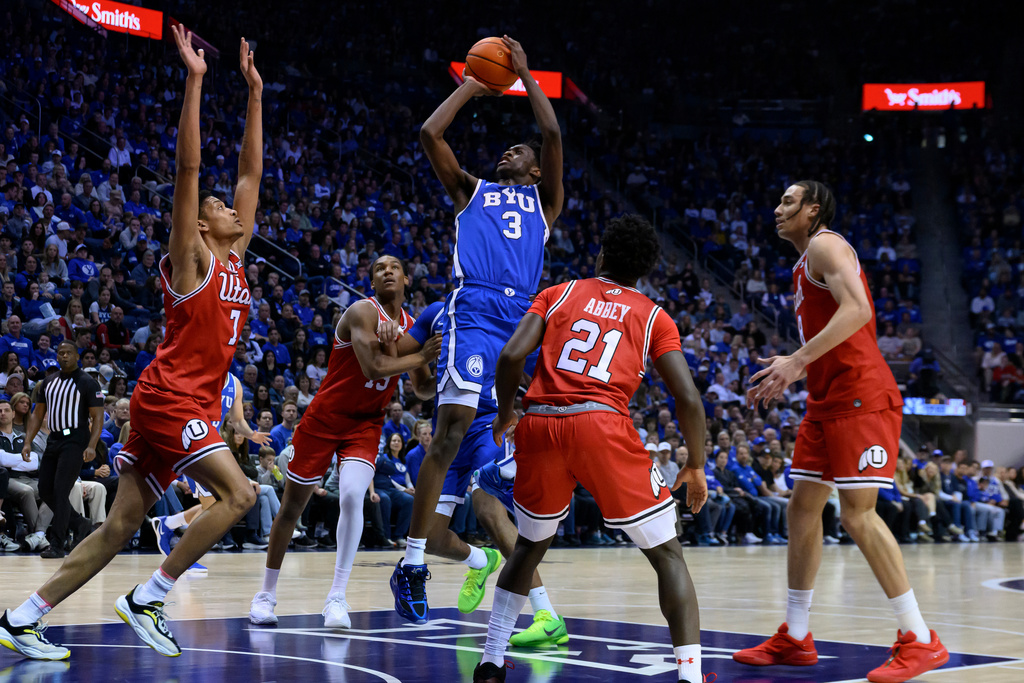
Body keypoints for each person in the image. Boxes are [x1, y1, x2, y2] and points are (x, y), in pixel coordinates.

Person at [0, 29, 264, 661]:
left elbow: (252, 170)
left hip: (178, 405)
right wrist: (196, 80)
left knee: (120, 525)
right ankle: (150, 595)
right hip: (173, 399)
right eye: (221, 206)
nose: (234, 209)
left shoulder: (237, 259)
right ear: (202, 224)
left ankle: (21, 618)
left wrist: (255, 94)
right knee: (240, 495)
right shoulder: (189, 260)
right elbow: (189, 169)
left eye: (233, 207)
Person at [472, 215, 708, 683]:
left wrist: (503, 414)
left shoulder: (557, 293)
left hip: (539, 425)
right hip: (601, 423)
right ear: (644, 270)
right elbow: (688, 398)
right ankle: (690, 676)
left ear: (601, 254)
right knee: (667, 555)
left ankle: (491, 660)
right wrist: (696, 465)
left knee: (529, 547)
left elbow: (510, 357)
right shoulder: (654, 316)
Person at [734, 181, 948, 682]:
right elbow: (834, 334)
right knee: (803, 507)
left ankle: (920, 639)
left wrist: (795, 361)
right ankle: (797, 634)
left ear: (813, 211)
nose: (776, 208)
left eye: (788, 202)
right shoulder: (802, 264)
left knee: (858, 516)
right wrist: (799, 369)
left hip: (862, 398)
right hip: (828, 400)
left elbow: (860, 311)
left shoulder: (827, 243)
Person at [393, 35, 564, 625]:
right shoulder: (473, 191)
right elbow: (429, 135)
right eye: (508, 149)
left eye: (518, 150)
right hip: (472, 312)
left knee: (497, 459)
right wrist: (476, 82)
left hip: (518, 324)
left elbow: (553, 134)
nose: (507, 153)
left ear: (535, 169)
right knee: (451, 428)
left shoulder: (545, 203)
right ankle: (414, 561)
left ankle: (520, 586)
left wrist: (524, 73)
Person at [249, 255, 440, 629]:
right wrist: (418, 354)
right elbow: (375, 368)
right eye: (379, 268)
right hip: (325, 417)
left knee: (353, 495)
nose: (387, 271)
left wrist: (452, 369)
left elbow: (422, 387)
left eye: (394, 267)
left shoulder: (414, 328)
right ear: (372, 283)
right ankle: (265, 595)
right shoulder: (361, 312)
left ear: (406, 279)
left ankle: (336, 597)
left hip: (366, 424)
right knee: (292, 508)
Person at [402, 300, 568, 643]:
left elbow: (539, 371)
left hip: (486, 427)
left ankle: (546, 613)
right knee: (431, 538)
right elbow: (420, 388)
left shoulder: (503, 310)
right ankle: (481, 560)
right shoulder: (434, 313)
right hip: (447, 434)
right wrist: (432, 363)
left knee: (488, 510)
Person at [150, 372, 271, 568]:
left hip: (212, 446)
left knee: (215, 504)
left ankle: (168, 524)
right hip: (192, 444)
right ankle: (184, 555)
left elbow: (238, 421)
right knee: (213, 504)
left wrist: (252, 435)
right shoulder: (199, 373)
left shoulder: (235, 383)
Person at [21, 341, 104, 559]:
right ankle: (80, 523)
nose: (64, 356)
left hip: (76, 439)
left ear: (77, 356)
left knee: (60, 490)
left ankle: (57, 544)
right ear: (56, 356)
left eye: (68, 353)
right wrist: (28, 441)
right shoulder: (48, 382)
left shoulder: (88, 383)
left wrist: (92, 445)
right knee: (45, 488)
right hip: (54, 439)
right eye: (60, 353)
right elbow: (38, 414)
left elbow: (97, 417)